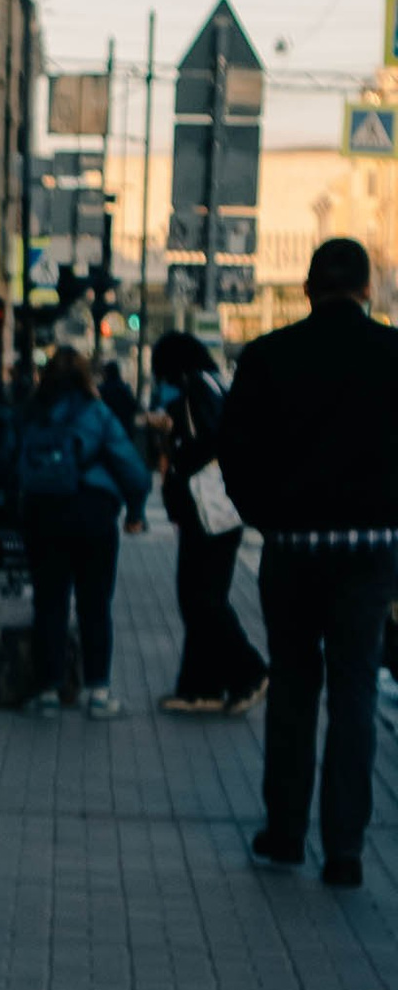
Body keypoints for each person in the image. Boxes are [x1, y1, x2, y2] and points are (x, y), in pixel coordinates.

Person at [217, 235, 398, 889]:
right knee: (355, 693)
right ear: (367, 291)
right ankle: (345, 849)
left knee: (294, 687)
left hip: (292, 550)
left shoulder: (268, 357)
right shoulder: (392, 355)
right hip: (372, 551)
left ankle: (285, 833)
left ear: (306, 289)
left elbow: (233, 451)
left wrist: (265, 514)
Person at [16, 340, 151, 716]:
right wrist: (135, 510)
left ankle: (48, 691)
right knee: (94, 604)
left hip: (42, 516)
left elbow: (6, 460)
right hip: (92, 516)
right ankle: (98, 693)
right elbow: (131, 468)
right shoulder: (98, 413)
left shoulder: (30, 412)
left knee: (49, 603)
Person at [150, 328, 267, 716]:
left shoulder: (198, 387)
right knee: (201, 596)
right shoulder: (215, 381)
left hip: (208, 510)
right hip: (221, 509)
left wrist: (175, 444)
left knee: (202, 598)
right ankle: (201, 687)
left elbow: (210, 440)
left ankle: (248, 671)